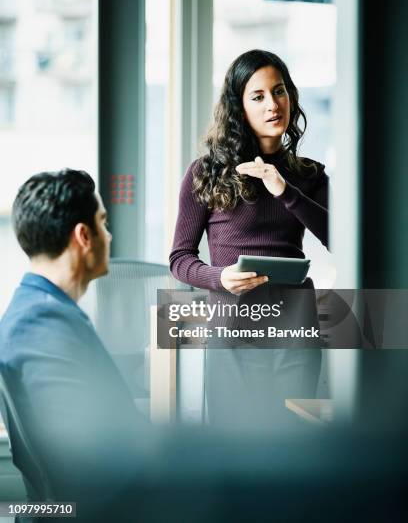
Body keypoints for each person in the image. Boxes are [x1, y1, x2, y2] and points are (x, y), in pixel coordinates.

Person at [170, 49, 329, 432]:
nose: (272, 104)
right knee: (234, 452)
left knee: (293, 446)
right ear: (240, 108)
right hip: (231, 329)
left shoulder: (310, 176)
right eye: (257, 96)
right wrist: (219, 278)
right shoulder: (205, 173)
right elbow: (180, 258)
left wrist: (284, 189)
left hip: (294, 327)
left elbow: (342, 240)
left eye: (279, 92)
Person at [0, 169, 146, 521]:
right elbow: (87, 466)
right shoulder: (41, 323)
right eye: (103, 223)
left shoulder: (36, 310)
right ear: (84, 236)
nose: (109, 236)